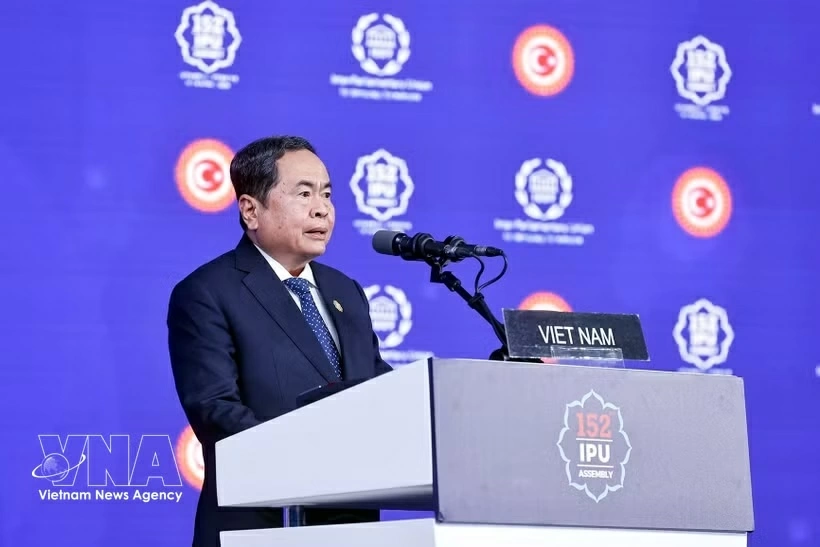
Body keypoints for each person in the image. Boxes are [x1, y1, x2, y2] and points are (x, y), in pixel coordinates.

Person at [166, 135, 392, 547]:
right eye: (303, 193)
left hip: (352, 526)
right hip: (261, 523)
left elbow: (380, 390)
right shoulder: (207, 292)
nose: (322, 208)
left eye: (326, 194)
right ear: (251, 210)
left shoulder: (347, 292)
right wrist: (316, 463)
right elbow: (216, 411)